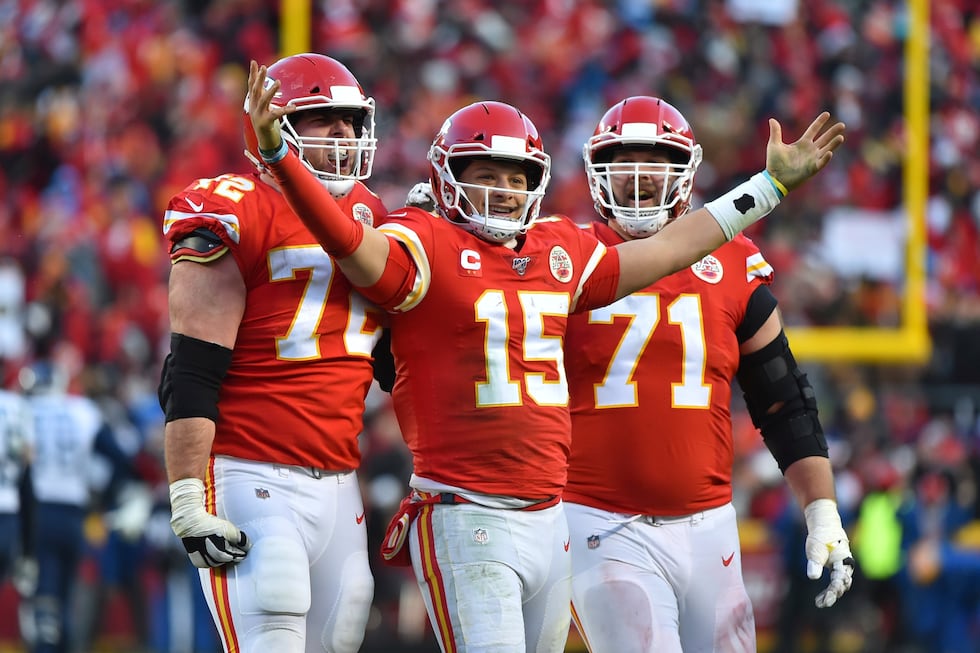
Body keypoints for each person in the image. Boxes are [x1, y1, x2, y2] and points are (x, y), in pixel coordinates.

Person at [247, 60, 845, 652]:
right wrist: (286, 161)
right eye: (484, 172)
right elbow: (362, 272)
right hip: (518, 511)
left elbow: (688, 273)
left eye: (515, 176)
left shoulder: (565, 254)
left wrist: (767, 188)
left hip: (600, 517)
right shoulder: (456, 243)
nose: (501, 191)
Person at [560, 96, 854, 653]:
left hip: (710, 526)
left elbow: (783, 400)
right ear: (599, 171)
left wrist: (822, 511)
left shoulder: (733, 262)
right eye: (626, 163)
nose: (641, 179)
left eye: (657, 163)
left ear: (686, 172)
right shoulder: (567, 256)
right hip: (599, 521)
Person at [158, 53, 388, 653]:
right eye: (322, 119)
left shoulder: (371, 215)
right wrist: (185, 493)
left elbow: (398, 360)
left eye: (349, 120)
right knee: (274, 611)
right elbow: (191, 367)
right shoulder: (233, 207)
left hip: (340, 480)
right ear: (272, 124)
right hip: (250, 468)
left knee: (343, 629)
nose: (342, 134)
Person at [21, 359, 137, 653]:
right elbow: (120, 459)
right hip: (73, 512)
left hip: (36, 511)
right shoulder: (82, 411)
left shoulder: (23, 411)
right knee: (65, 590)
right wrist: (101, 492)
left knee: (43, 592)